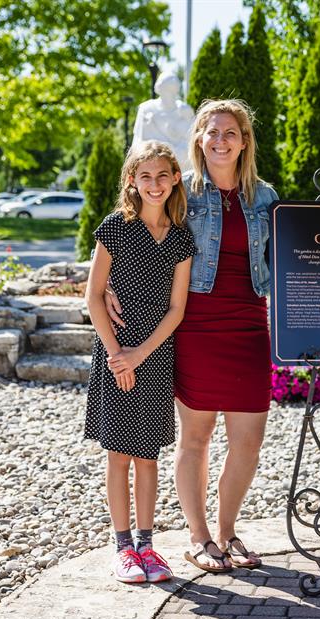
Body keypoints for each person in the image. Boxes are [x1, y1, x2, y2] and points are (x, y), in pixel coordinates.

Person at [106, 99, 278, 573]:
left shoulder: (265, 198)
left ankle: (227, 530)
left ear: (244, 141)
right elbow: (135, 225)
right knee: (195, 439)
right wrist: (111, 286)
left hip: (248, 326)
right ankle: (199, 536)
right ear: (199, 139)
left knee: (248, 441)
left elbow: (290, 262)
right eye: (211, 132)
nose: (220, 140)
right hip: (195, 324)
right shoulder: (184, 194)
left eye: (230, 133)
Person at [84, 141, 196, 583]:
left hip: (154, 354)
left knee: (146, 455)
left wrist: (139, 354)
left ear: (174, 181)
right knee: (119, 455)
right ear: (132, 179)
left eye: (162, 176)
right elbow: (93, 296)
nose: (154, 184)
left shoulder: (180, 237)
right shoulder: (115, 227)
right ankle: (123, 547)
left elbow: (177, 310)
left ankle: (148, 547)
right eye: (145, 176)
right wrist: (117, 354)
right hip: (114, 354)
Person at [132, 72, 196, 172]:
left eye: (172, 91)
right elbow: (138, 141)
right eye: (167, 90)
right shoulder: (147, 109)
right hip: (152, 163)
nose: (170, 94)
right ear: (159, 89)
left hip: (181, 166)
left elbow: (192, 142)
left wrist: (177, 151)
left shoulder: (184, 111)